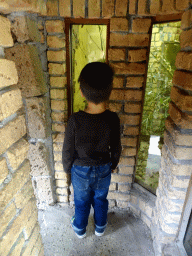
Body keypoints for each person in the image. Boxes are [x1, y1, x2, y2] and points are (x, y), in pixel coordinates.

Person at [62, 62, 122, 239]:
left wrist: (68, 169)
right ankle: (100, 227)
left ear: (81, 92)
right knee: (100, 199)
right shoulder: (112, 119)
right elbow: (117, 146)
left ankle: (80, 229)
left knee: (81, 201)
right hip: (104, 168)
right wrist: (114, 163)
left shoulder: (75, 120)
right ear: (110, 91)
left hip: (79, 170)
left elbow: (67, 149)